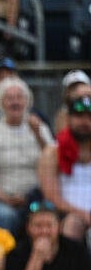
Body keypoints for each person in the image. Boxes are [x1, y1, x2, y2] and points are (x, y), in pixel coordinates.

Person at [0, 76, 53, 232]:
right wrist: (5, 198)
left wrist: (38, 134)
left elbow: (53, 162)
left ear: (27, 101)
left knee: (48, 215)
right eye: (9, 98)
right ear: (0, 103)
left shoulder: (40, 128)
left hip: (38, 196)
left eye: (19, 97)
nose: (15, 102)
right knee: (5, 215)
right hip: (3, 199)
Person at [39, 95, 91, 245]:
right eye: (79, 116)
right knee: (72, 226)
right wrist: (83, 214)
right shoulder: (53, 152)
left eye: (89, 117)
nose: (85, 122)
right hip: (67, 213)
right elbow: (51, 196)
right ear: (68, 118)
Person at [4, 202, 91, 270]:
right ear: (28, 228)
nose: (44, 231)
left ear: (59, 227)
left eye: (49, 225)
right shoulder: (16, 254)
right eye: (38, 226)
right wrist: (37, 257)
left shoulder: (77, 251)